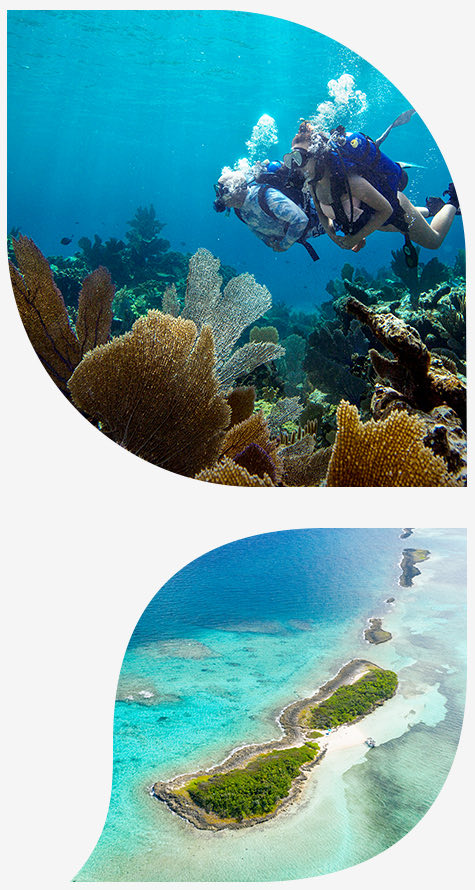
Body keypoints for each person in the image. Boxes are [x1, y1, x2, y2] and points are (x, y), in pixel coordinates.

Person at [285, 120, 460, 261]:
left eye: (300, 158)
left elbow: (386, 210)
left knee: (434, 241)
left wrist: (354, 238)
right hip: (377, 222)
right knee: (405, 225)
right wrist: (334, 236)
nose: (295, 167)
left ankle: (454, 200)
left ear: (317, 155)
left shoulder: (350, 182)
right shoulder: (313, 183)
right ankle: (433, 209)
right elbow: (324, 215)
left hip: (395, 209)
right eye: (291, 159)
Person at [213, 162, 324, 260]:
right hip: (307, 233)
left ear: (236, 188)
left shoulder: (267, 197)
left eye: (223, 191)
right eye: (218, 191)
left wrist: (284, 245)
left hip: (321, 219)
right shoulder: (239, 211)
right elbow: (253, 227)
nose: (219, 197)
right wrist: (267, 240)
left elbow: (300, 220)